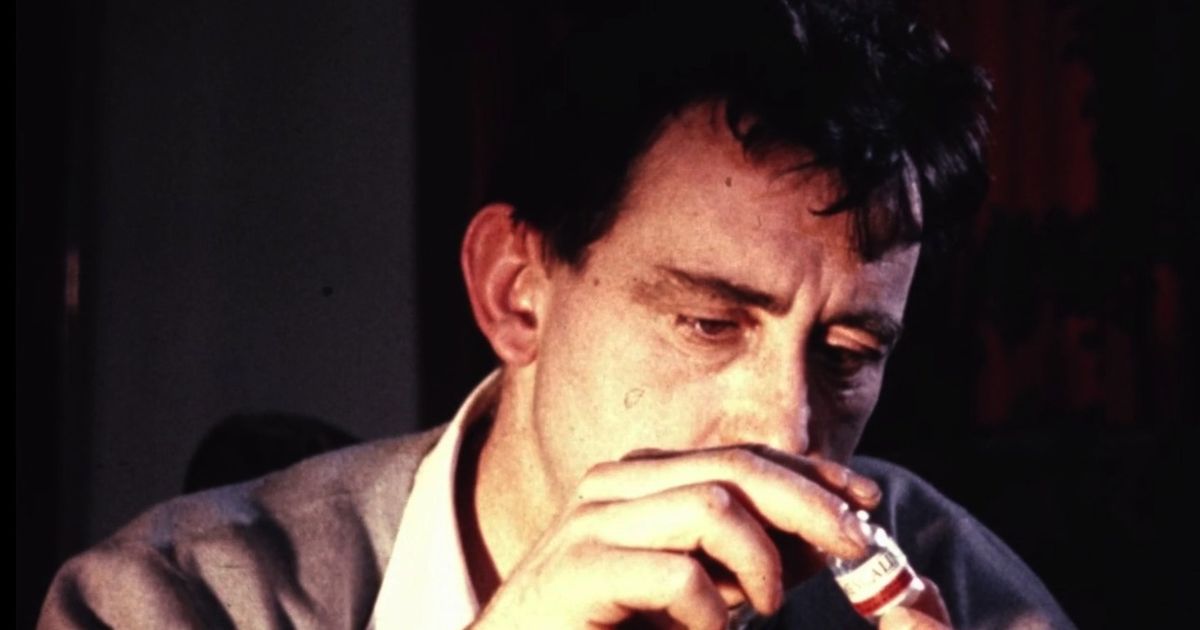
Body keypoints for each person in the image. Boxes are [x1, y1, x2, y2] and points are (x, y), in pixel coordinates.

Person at [38, 1, 1075, 628]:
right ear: (515, 292)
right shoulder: (170, 605)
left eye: (846, 354)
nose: (783, 429)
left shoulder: (944, 581)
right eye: (710, 323)